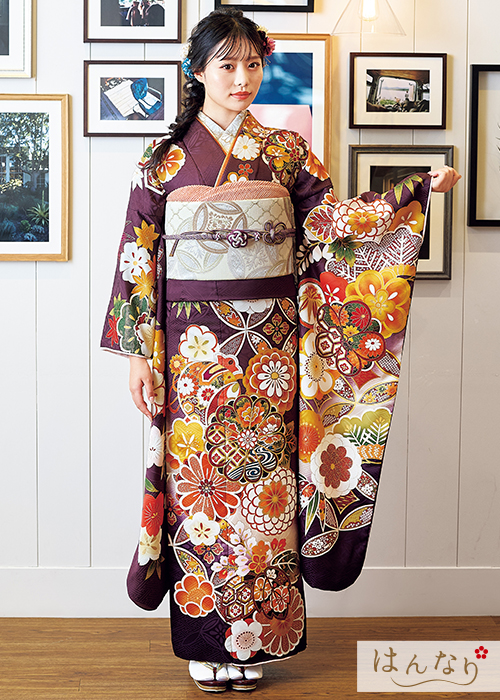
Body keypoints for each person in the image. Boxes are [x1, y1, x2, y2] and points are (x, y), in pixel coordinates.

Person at [101, 8, 460, 693]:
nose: (242, 78)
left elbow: (328, 226)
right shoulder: (162, 159)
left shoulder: (289, 150)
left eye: (253, 64)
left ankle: (257, 643)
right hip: (192, 352)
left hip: (270, 350)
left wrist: (411, 191)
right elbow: (137, 258)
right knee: (200, 489)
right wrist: (139, 356)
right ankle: (206, 642)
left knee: (266, 493)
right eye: (227, 65)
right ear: (197, 71)